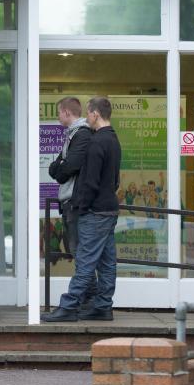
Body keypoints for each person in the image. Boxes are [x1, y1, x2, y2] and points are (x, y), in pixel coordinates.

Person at [42, 97, 122, 323]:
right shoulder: (113, 140)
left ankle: (68, 306)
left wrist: (81, 205)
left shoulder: (97, 143)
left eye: (88, 114)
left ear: (95, 114)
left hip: (94, 210)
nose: (87, 118)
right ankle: (103, 305)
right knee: (107, 261)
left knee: (85, 259)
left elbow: (90, 181)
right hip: (109, 208)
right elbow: (114, 179)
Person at [47, 97, 92, 257]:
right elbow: (54, 167)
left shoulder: (82, 134)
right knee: (76, 250)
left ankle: (85, 283)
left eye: (58, 112)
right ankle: (85, 282)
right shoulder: (72, 134)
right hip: (69, 202)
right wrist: (61, 166)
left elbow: (69, 166)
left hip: (75, 202)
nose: (58, 116)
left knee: (79, 251)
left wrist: (61, 167)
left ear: (66, 112)